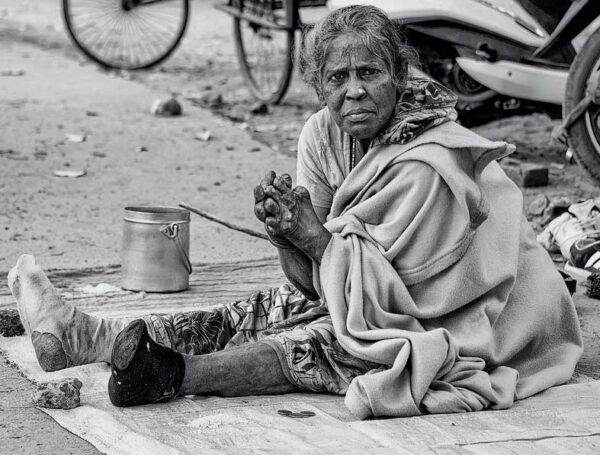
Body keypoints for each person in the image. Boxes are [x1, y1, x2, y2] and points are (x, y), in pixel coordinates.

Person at [8, 5, 583, 419]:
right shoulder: (322, 136)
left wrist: (315, 238)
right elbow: (316, 284)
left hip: (476, 313)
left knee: (343, 346)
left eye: (370, 74)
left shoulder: (432, 157)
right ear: (318, 86)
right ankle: (88, 336)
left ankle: (170, 375)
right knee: (269, 307)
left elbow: (396, 307)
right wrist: (288, 235)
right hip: (374, 295)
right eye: (338, 78)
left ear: (398, 76)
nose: (354, 92)